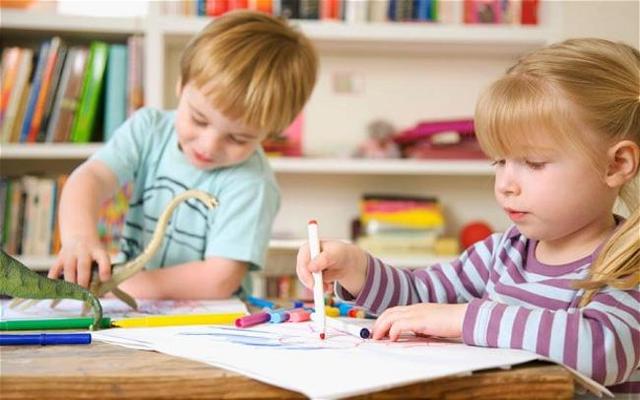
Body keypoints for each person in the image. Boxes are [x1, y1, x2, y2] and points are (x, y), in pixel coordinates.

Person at [296, 38, 639, 391]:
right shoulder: (502, 252)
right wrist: (356, 268)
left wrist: (464, 319)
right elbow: (420, 295)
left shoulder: (627, 263)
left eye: (534, 163)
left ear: (616, 164)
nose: (505, 184)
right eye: (499, 161)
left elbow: (602, 348)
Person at [49, 10, 318, 299]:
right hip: (133, 307)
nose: (209, 145)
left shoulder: (253, 183)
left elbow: (219, 279)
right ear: (181, 85)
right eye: (199, 120)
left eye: (238, 138)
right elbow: (91, 177)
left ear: (270, 133)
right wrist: (79, 237)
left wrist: (119, 286)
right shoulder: (148, 129)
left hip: (209, 317)